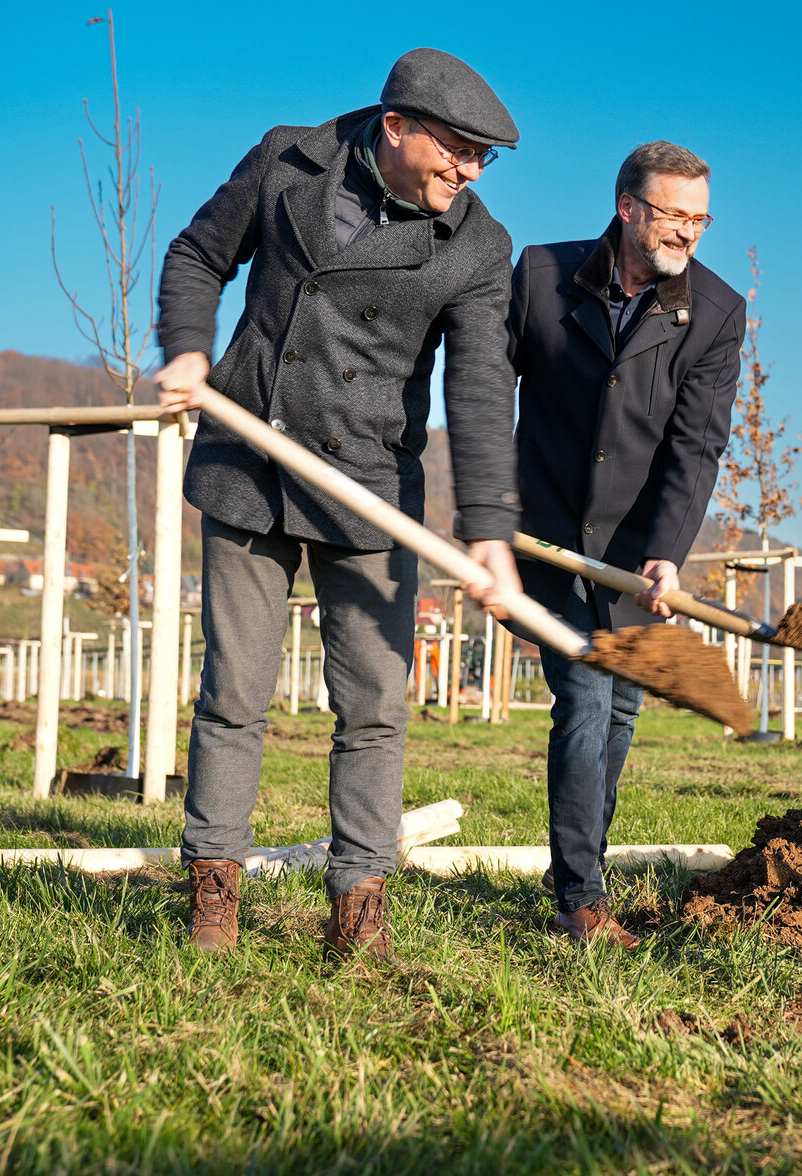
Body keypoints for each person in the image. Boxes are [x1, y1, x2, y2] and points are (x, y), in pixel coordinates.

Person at [154, 48, 524, 960]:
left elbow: (478, 396)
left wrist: (487, 532)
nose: (469, 173)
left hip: (368, 487)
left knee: (373, 708)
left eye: (484, 159)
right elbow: (199, 253)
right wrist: (190, 348)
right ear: (395, 127)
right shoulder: (288, 161)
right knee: (234, 695)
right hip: (250, 458)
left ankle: (358, 906)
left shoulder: (477, 247)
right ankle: (213, 890)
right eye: (457, 150)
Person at [507, 142, 743, 947]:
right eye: (674, 213)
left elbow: (696, 444)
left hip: (640, 543)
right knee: (585, 699)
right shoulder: (542, 275)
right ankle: (580, 896)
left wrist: (668, 549)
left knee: (624, 709)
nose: (688, 231)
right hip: (549, 532)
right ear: (628, 206)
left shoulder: (714, 310)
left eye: (699, 217)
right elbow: (480, 383)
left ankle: (579, 868)